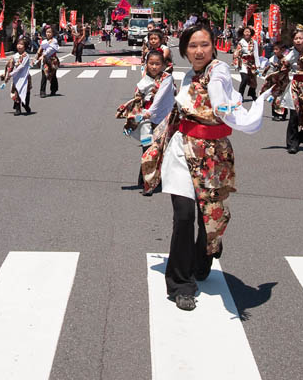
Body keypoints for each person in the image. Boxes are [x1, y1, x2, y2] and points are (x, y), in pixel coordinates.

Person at [141, 23, 271, 311]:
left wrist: (222, 104)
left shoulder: (218, 71)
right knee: (184, 215)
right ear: (185, 50)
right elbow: (172, 105)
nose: (199, 51)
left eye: (204, 45)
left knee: (208, 216)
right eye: (192, 46)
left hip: (212, 155)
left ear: (214, 47)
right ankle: (180, 284)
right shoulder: (187, 75)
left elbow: (219, 92)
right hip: (182, 149)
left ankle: (203, 257)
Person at [116, 49, 174, 195]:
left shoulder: (166, 79)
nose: (154, 67)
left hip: (162, 118)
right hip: (145, 120)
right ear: (146, 64)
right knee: (147, 149)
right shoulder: (145, 79)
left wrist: (149, 112)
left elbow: (160, 99)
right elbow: (138, 96)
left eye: (157, 64)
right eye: (151, 63)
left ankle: (150, 182)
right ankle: (145, 181)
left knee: (158, 151)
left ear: (163, 65)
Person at [261, 25, 303, 154]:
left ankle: (302, 136)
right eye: (295, 38)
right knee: (294, 116)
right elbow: (283, 67)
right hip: (295, 86)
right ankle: (292, 144)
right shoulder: (291, 54)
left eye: (300, 38)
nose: (298, 40)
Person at [1, 37, 32, 116]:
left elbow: (21, 66)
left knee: (26, 92)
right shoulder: (15, 56)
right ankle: (18, 108)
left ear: (25, 46)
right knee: (16, 92)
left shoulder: (26, 56)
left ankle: (26, 105)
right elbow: (10, 66)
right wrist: (6, 74)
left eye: (21, 44)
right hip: (16, 77)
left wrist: (11, 74)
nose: (19, 46)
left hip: (24, 77)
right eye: (18, 44)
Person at [260, 44, 288, 121]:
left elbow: (287, 68)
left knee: (283, 97)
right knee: (275, 96)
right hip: (275, 80)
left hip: (283, 80)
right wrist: (265, 72)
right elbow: (268, 65)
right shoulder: (273, 58)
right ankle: (275, 114)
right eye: (274, 49)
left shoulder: (285, 59)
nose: (275, 51)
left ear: (281, 50)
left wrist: (279, 66)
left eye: (277, 49)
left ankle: (283, 114)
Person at [233, 27, 260, 101]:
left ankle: (252, 93)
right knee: (244, 79)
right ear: (243, 33)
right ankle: (240, 96)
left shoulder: (254, 42)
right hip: (243, 62)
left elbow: (256, 54)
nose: (247, 33)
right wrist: (236, 63)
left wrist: (258, 65)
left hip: (251, 63)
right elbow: (237, 53)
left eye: (248, 32)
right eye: (246, 32)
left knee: (253, 81)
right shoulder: (241, 42)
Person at [35, 27, 60, 98]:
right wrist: (36, 56)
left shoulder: (54, 41)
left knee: (53, 75)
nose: (48, 34)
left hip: (52, 60)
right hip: (45, 60)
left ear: (53, 33)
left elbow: (50, 50)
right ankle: (42, 91)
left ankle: (54, 89)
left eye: (49, 32)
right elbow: (40, 48)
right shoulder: (44, 41)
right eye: (47, 32)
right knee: (44, 75)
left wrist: (43, 55)